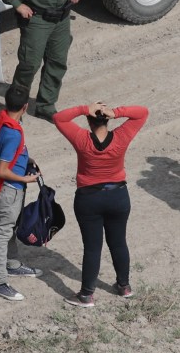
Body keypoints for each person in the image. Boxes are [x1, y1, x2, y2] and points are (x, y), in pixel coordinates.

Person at [53, 102, 149, 306]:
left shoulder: (81, 139)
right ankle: (124, 286)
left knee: (92, 248)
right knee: (118, 242)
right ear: (107, 119)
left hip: (88, 199)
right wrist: (116, 112)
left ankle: (87, 294)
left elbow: (58, 118)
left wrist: (82, 108)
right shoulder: (121, 137)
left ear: (88, 120)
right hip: (118, 197)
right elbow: (142, 113)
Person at [0, 85, 44, 302]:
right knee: (3, 233)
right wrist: (25, 178)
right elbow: (1, 170)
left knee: (10, 228)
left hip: (11, 189)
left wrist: (25, 159)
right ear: (25, 107)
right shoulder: (12, 134)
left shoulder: (4, 119)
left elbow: (2, 151)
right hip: (10, 190)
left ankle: (13, 265)